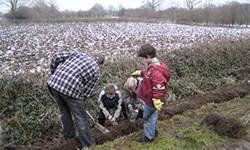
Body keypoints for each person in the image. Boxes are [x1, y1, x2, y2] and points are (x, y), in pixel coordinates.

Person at [47, 51, 104, 149]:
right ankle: (89, 145)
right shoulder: (96, 71)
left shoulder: (79, 54)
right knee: (81, 118)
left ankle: (69, 137)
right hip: (70, 89)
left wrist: (54, 72)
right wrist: (80, 102)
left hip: (53, 84)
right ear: (100, 64)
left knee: (64, 111)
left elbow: (56, 56)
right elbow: (86, 92)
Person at [131, 44, 171, 143]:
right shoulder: (156, 66)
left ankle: (148, 137)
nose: (143, 60)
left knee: (147, 117)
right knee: (153, 116)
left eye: (143, 58)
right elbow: (150, 74)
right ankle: (154, 131)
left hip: (152, 99)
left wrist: (156, 98)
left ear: (148, 56)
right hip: (152, 98)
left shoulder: (155, 69)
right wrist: (141, 73)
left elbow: (159, 84)